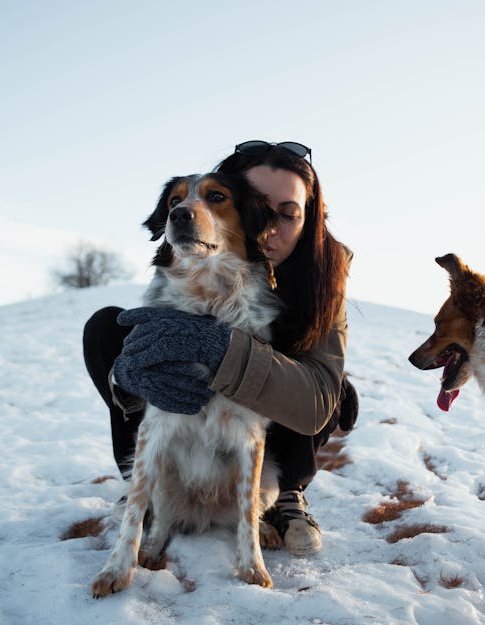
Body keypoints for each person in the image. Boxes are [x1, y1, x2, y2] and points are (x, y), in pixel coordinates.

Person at [83, 140, 358, 557]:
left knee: (327, 385)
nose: (265, 224)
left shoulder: (324, 273)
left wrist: (220, 345)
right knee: (110, 329)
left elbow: (317, 397)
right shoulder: (185, 257)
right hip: (182, 428)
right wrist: (127, 378)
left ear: (310, 220)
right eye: (254, 206)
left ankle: (284, 494)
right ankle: (150, 487)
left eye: (287, 213)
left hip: (261, 432)